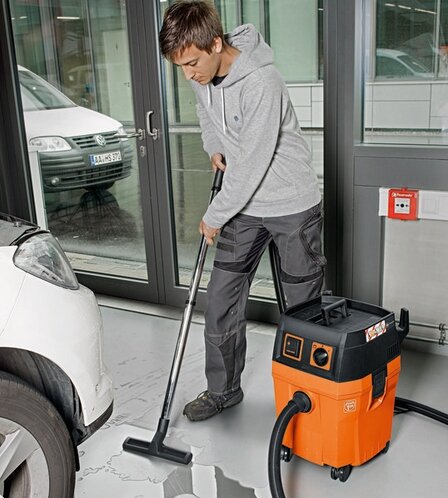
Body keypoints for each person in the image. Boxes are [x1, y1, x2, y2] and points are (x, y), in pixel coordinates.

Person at [159, 0, 326, 422]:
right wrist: (213, 145)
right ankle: (223, 391)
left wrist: (214, 215)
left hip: (291, 204)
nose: (188, 75)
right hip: (246, 208)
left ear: (216, 43)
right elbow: (204, 109)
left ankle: (309, 398)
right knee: (221, 299)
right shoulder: (200, 71)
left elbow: (251, 164)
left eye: (192, 63)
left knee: (302, 310)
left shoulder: (262, 82)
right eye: (180, 67)